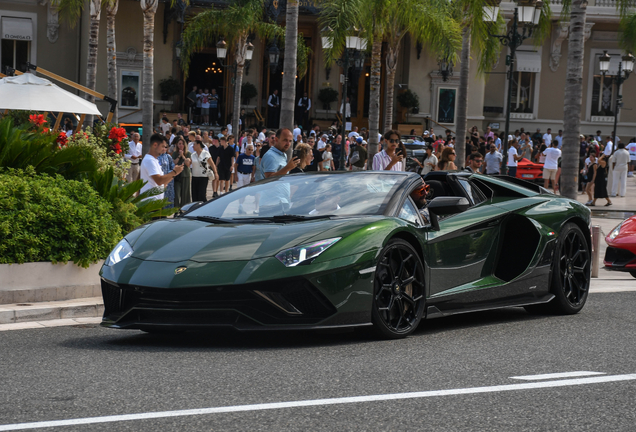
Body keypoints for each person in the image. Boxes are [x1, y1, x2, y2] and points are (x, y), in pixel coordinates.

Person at [260, 128, 300, 215]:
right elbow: (269, 178)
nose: (288, 144)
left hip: (280, 203)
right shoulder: (271, 156)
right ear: (276, 139)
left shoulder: (282, 155)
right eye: (285, 140)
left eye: (290, 141)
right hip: (272, 204)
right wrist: (287, 168)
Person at [140, 133, 183, 201]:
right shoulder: (150, 160)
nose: (164, 149)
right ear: (155, 145)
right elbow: (159, 181)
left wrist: (175, 172)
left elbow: (163, 183)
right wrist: (174, 172)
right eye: (163, 146)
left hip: (155, 202)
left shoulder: (154, 160)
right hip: (149, 202)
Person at [171, 138, 192, 208]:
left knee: (185, 193)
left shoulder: (188, 153)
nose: (181, 145)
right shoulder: (175, 153)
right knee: (177, 193)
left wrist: (183, 155)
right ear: (177, 145)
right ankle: (176, 209)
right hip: (177, 176)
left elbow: (188, 164)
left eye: (182, 144)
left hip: (185, 175)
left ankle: (184, 208)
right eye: (179, 144)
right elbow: (174, 162)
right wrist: (179, 155)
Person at [157, 139, 176, 208]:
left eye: (165, 147)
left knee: (167, 198)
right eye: (163, 147)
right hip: (158, 179)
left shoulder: (168, 157)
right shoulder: (155, 156)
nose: (164, 149)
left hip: (167, 181)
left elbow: (172, 167)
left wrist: (169, 173)